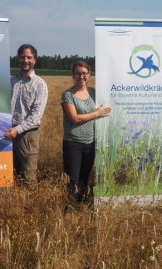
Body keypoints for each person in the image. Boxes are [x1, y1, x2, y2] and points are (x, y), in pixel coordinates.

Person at [61, 61, 111, 207]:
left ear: (89, 75)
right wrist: (96, 113)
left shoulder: (95, 93)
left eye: (84, 73)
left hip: (91, 143)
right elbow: (74, 118)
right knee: (72, 181)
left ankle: (80, 209)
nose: (81, 76)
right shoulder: (68, 95)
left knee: (84, 179)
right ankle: (68, 211)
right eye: (77, 73)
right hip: (73, 144)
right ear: (73, 75)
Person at [4, 44, 48, 185]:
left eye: (29, 57)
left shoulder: (40, 84)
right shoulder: (9, 81)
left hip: (27, 135)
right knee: (8, 175)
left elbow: (36, 116)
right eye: (22, 57)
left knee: (28, 178)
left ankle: (30, 206)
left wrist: (17, 130)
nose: (25, 60)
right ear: (18, 59)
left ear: (34, 60)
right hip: (6, 132)